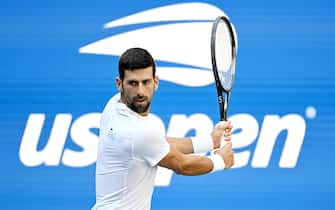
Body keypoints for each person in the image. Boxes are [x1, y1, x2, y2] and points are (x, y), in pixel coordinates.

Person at [92, 47, 234, 210]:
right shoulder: (138, 131)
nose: (140, 91)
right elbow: (182, 165)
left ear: (156, 82)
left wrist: (210, 141)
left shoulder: (113, 106)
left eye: (145, 82)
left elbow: (156, 144)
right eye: (133, 83)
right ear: (120, 84)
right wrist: (221, 161)